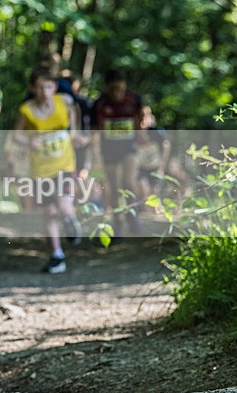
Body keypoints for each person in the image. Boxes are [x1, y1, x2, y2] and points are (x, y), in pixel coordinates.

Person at [14, 67, 83, 274]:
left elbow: (74, 115)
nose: (44, 92)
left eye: (48, 87)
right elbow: (16, 135)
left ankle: (70, 222)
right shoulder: (26, 110)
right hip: (40, 170)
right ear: (32, 89)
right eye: (40, 87)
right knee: (49, 212)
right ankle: (57, 255)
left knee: (63, 204)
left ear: (55, 87)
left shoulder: (64, 102)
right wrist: (29, 141)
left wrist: (74, 133)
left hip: (64, 164)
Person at [92, 69, 143, 235]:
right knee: (114, 187)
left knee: (128, 181)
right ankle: (117, 222)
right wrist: (95, 152)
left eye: (120, 89)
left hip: (129, 148)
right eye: (113, 90)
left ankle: (133, 215)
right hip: (109, 150)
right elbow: (95, 130)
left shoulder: (134, 100)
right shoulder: (99, 104)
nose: (116, 94)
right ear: (107, 88)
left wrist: (141, 136)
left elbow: (139, 119)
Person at [136, 105, 171, 206]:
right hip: (141, 167)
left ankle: (155, 210)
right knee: (143, 190)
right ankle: (145, 210)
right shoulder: (134, 133)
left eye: (145, 117)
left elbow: (166, 146)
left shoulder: (157, 131)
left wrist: (162, 165)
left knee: (154, 192)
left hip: (155, 165)